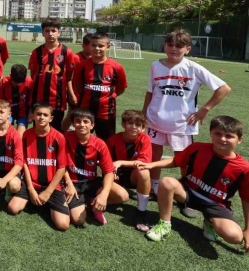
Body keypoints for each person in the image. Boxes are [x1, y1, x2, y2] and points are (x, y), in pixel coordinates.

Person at [142, 30, 231, 212]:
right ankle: (154, 188)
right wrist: (144, 114)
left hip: (182, 124)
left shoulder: (193, 68)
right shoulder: (155, 66)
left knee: (184, 161)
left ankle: (186, 196)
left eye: (179, 46)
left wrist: (204, 109)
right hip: (155, 119)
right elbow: (151, 91)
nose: (174, 49)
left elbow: (223, 88)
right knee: (154, 156)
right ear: (164, 46)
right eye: (170, 45)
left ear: (187, 49)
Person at [141, 116, 249, 251]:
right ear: (210, 134)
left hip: (215, 204)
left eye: (229, 136)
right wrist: (151, 165)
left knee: (235, 237)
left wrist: (247, 229)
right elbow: (176, 161)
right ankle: (164, 224)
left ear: (239, 140)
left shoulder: (244, 168)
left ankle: (209, 221)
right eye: (218, 133)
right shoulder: (197, 148)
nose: (222, 139)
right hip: (188, 192)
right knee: (167, 182)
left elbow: (246, 198)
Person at [7, 103, 70, 231]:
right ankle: (34, 198)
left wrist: (48, 192)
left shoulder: (59, 137)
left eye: (45, 115)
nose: (41, 117)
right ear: (33, 116)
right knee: (12, 208)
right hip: (32, 183)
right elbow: (24, 163)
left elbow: (62, 167)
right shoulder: (26, 135)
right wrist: (30, 188)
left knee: (63, 225)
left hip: (52, 186)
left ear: (51, 118)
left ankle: (45, 202)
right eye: (38, 114)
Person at [63, 109, 119, 227]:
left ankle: (93, 203)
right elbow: (60, 164)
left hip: (91, 182)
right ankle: (87, 200)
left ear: (92, 125)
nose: (81, 124)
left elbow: (109, 171)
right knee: (78, 220)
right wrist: (68, 184)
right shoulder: (65, 138)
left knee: (122, 195)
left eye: (85, 121)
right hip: (73, 183)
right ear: (73, 124)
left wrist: (104, 194)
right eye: (78, 121)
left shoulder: (99, 144)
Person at [68, 32, 128, 141]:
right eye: (93, 45)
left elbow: (121, 88)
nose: (97, 48)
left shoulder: (116, 67)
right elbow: (78, 86)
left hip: (106, 112)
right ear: (89, 46)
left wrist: (109, 96)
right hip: (85, 111)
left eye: (101, 46)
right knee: (81, 140)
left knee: (107, 142)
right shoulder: (82, 66)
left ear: (108, 47)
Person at [106, 110, 153, 231]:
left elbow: (143, 163)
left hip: (133, 176)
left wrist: (121, 162)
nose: (134, 127)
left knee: (144, 171)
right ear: (123, 124)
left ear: (143, 128)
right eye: (130, 123)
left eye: (138, 125)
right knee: (122, 197)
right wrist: (111, 172)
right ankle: (93, 201)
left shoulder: (144, 139)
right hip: (116, 176)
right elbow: (106, 162)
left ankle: (141, 211)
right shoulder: (113, 139)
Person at [28, 18, 77, 130]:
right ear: (42, 33)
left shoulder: (67, 52)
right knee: (39, 128)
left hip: (58, 99)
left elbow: (69, 76)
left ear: (59, 32)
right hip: (39, 98)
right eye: (47, 31)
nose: (50, 33)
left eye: (53, 30)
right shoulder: (36, 52)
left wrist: (70, 93)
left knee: (55, 129)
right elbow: (33, 75)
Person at [0, 64, 33, 136]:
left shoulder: (29, 82)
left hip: (23, 113)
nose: (19, 84)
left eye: (21, 82)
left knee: (19, 136)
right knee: (4, 133)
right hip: (8, 112)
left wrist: (31, 113)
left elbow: (32, 100)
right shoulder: (4, 82)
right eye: (16, 82)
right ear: (11, 77)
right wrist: (1, 115)